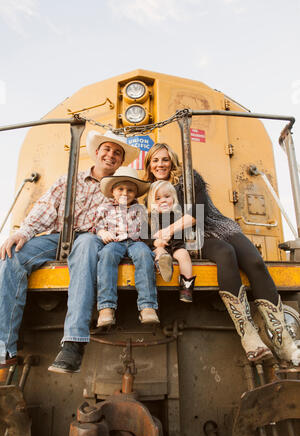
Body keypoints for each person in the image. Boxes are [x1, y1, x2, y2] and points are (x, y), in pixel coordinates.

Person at [143, 142, 300, 366]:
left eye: (165, 159)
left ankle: (283, 340)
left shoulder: (189, 177)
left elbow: (199, 212)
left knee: (254, 261)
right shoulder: (148, 191)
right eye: (155, 160)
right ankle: (249, 337)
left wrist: (166, 230)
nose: (161, 164)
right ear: (149, 165)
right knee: (226, 254)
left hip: (214, 225)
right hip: (190, 238)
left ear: (172, 161)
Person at [0, 130, 139, 374]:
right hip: (58, 236)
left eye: (117, 153)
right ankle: (5, 349)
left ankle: (74, 343)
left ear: (121, 161)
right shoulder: (68, 180)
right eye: (107, 149)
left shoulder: (121, 189)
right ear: (96, 153)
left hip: (92, 237)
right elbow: (45, 208)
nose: (111, 155)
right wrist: (23, 233)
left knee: (85, 247)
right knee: (13, 256)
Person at [95, 166, 159, 327]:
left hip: (136, 242)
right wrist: (102, 232)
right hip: (114, 242)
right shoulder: (105, 208)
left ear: (136, 193)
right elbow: (97, 225)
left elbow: (145, 230)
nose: (125, 193)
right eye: (121, 189)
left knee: (145, 255)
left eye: (130, 190)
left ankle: (147, 306)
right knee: (106, 255)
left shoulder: (140, 208)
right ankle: (106, 307)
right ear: (112, 191)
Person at [146, 179, 196, 302]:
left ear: (173, 198)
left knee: (184, 255)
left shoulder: (178, 215)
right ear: (152, 201)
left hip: (176, 246)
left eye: (167, 196)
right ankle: (164, 266)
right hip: (160, 246)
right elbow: (144, 236)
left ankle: (186, 288)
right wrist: (155, 242)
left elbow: (186, 230)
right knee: (159, 251)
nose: (163, 200)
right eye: (158, 198)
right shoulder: (150, 218)